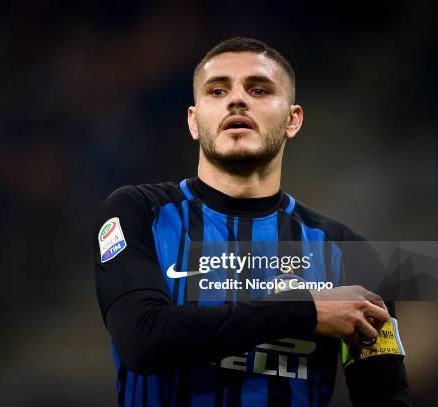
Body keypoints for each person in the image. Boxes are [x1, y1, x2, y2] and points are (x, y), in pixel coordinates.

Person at [94, 37, 410, 406]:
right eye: (217, 90)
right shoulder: (137, 211)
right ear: (194, 122)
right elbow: (143, 340)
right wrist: (308, 311)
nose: (237, 99)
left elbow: (386, 399)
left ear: (293, 120)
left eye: (259, 89)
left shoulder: (352, 254)